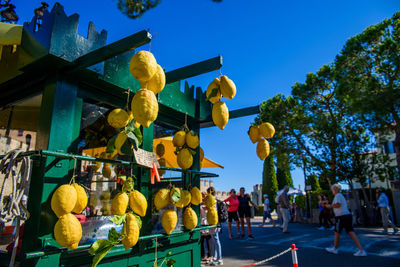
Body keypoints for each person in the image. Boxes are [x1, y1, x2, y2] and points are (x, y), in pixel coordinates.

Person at [325, 184, 367, 256]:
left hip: (341, 217)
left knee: (337, 232)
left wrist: (330, 206)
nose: (332, 191)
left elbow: (338, 205)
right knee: (351, 232)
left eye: (332, 189)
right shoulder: (340, 195)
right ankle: (361, 249)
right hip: (347, 215)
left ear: (335, 189)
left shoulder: (338, 196)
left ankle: (335, 248)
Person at [207, 187, 223, 265]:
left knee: (216, 240)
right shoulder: (213, 199)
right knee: (213, 240)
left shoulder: (212, 199)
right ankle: (215, 257)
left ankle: (220, 258)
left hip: (214, 222)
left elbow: (211, 208)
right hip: (212, 221)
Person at [200, 192, 213, 262]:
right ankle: (202, 255)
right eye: (202, 196)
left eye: (204, 196)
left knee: (208, 240)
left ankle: (210, 255)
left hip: (207, 222)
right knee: (201, 240)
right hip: (201, 223)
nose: (203, 197)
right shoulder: (199, 203)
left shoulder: (209, 203)